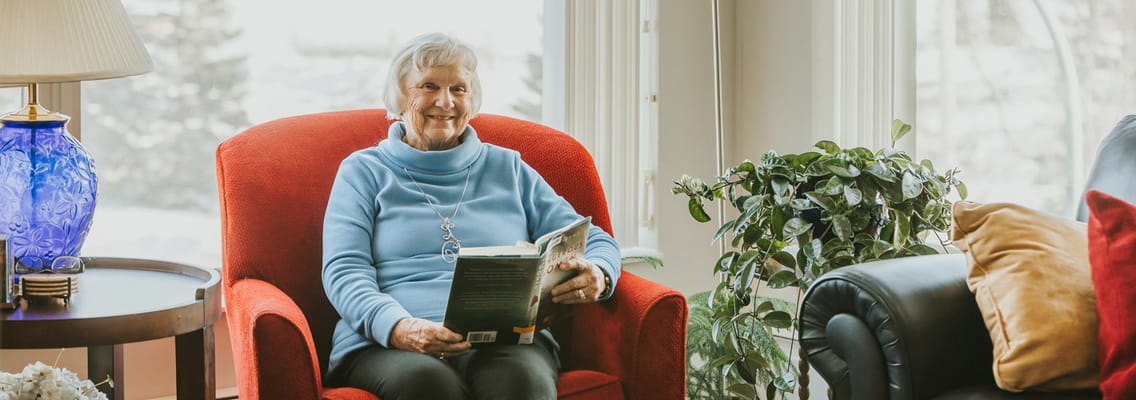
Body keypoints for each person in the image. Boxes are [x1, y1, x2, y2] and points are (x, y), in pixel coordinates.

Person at [321, 32, 621, 400]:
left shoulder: (507, 167)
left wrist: (600, 273)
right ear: (400, 96)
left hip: (504, 341)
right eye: (428, 86)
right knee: (430, 385)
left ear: (472, 99)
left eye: (459, 89)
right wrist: (400, 327)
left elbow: (597, 240)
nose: (445, 102)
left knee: (522, 381)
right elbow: (344, 272)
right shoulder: (363, 172)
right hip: (390, 343)